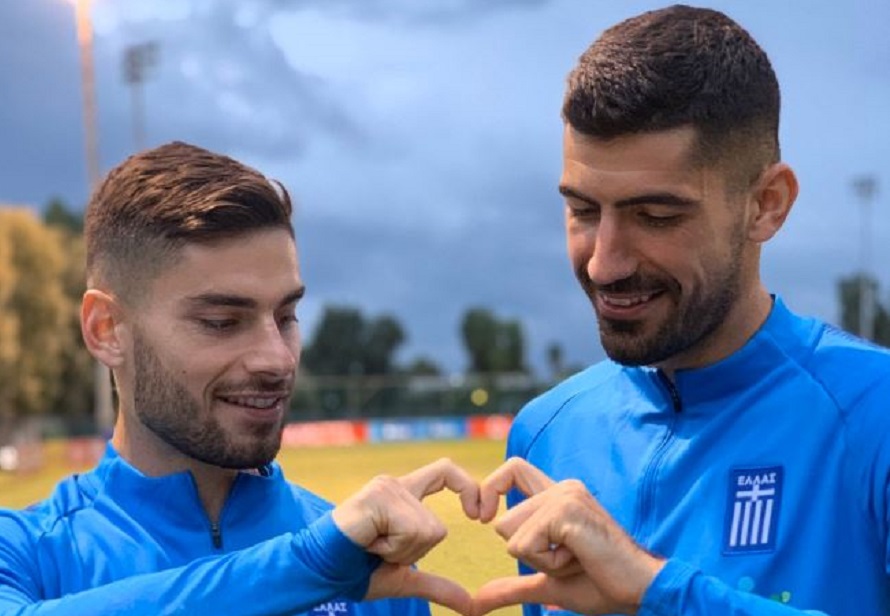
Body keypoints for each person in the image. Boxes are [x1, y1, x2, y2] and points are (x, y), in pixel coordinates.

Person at [471, 5, 890, 616]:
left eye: (655, 216)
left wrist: (656, 592)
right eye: (583, 211)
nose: (604, 264)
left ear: (766, 205)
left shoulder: (875, 416)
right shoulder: (547, 434)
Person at [0, 142, 482, 616]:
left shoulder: (373, 569)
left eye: (287, 317)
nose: (277, 359)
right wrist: (307, 566)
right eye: (222, 322)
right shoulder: (26, 555)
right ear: (106, 329)